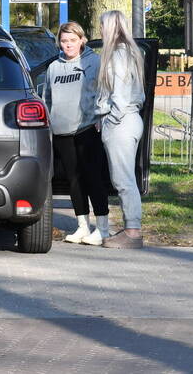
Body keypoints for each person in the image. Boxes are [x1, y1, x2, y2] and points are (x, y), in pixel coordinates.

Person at [42, 21, 111, 245]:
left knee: (93, 179)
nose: (68, 45)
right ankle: (82, 225)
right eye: (64, 41)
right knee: (74, 181)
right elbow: (47, 98)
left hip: (86, 128)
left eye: (72, 40)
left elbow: (104, 91)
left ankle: (102, 228)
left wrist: (100, 117)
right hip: (62, 132)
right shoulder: (54, 67)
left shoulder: (94, 62)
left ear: (82, 40)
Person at [95, 10, 146, 249]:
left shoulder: (118, 55)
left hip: (121, 122)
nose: (100, 31)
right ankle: (130, 228)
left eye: (102, 26)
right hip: (128, 120)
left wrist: (109, 119)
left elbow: (121, 95)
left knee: (123, 179)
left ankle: (133, 231)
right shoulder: (131, 53)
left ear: (112, 27)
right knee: (124, 178)